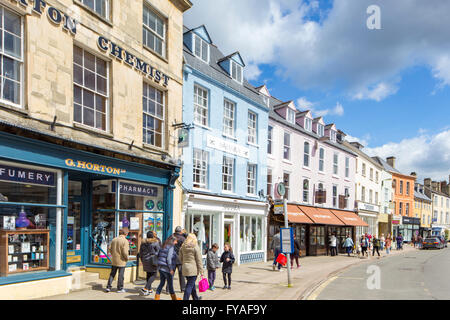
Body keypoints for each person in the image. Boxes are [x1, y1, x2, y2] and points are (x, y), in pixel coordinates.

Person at [179, 233, 204, 300]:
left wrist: (183, 263)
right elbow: (199, 260)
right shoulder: (195, 246)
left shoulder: (183, 246)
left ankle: (195, 298)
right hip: (193, 269)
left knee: (191, 284)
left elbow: (180, 257)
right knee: (189, 285)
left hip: (185, 268)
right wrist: (201, 271)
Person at [154, 235, 180, 300]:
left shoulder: (163, 245)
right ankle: (174, 298)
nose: (176, 243)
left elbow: (158, 255)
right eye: (176, 241)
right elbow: (169, 259)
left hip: (161, 267)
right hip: (167, 268)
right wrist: (171, 269)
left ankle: (157, 297)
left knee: (162, 283)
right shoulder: (171, 247)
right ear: (173, 241)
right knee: (170, 284)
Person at [105, 228, 129, 293]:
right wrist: (127, 258)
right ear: (126, 234)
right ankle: (120, 288)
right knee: (121, 275)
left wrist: (113, 254)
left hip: (114, 260)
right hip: (122, 260)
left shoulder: (114, 239)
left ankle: (108, 287)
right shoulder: (125, 241)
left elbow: (109, 249)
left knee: (112, 274)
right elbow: (125, 252)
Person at [139, 231, 160, 296]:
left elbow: (141, 253)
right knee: (154, 274)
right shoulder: (155, 242)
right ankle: (145, 288)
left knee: (148, 274)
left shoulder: (143, 243)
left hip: (145, 260)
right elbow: (159, 252)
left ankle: (149, 289)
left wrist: (142, 260)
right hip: (152, 260)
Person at [168, 226, 186, 293]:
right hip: (180, 258)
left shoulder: (171, 237)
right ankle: (183, 288)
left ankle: (168, 289)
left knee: (171, 274)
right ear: (180, 231)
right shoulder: (183, 238)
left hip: (172, 257)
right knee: (181, 274)